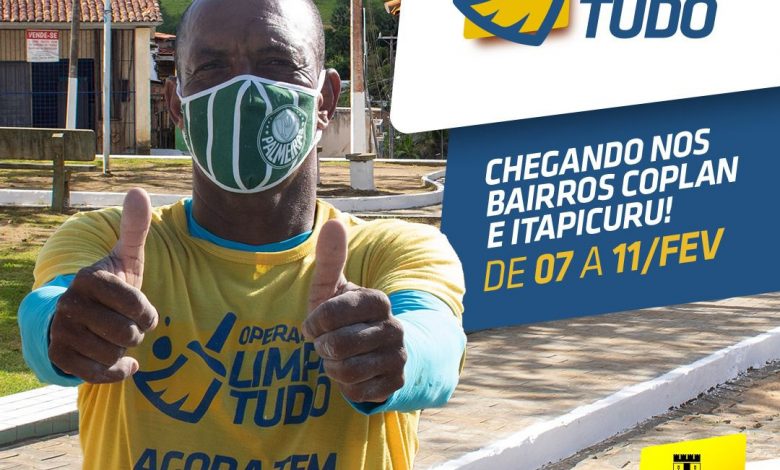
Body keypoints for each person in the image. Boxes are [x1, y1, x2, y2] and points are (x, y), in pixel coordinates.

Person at [18, 0, 466, 468]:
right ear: (176, 104)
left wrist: (393, 354)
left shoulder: (393, 250)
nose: (245, 91)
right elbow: (43, 314)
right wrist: (64, 330)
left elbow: (437, 344)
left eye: (276, 63)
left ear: (326, 99)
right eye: (211, 67)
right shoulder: (108, 244)